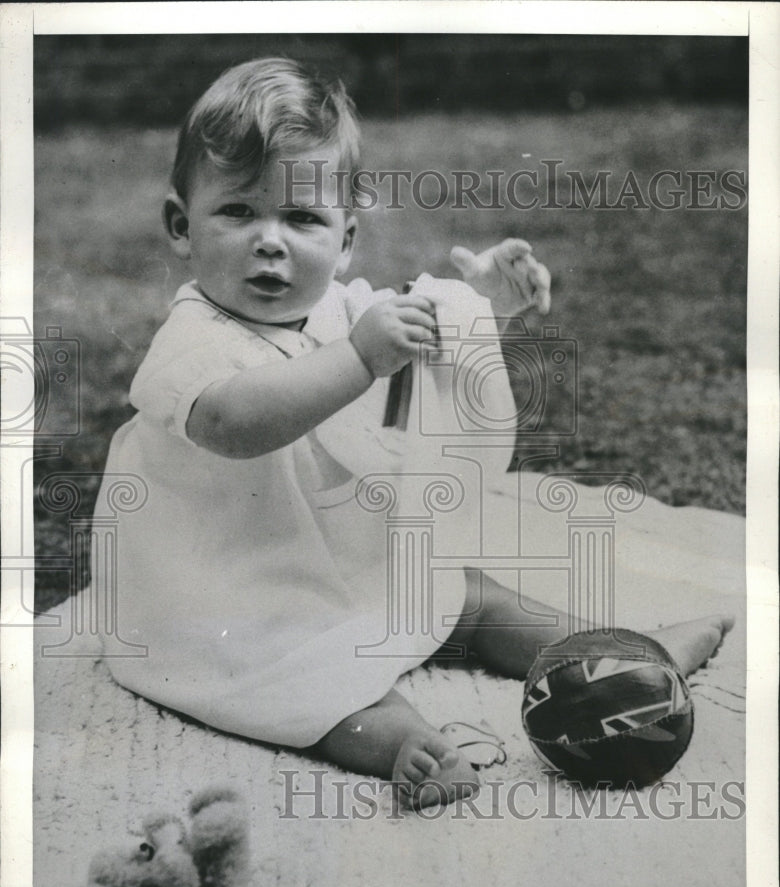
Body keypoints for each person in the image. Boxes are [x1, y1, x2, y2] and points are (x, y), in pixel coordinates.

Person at [94, 57, 733, 809]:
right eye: (238, 212)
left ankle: (622, 656)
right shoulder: (192, 341)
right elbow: (237, 424)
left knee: (467, 597)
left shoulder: (341, 309)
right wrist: (361, 356)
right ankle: (403, 742)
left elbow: (422, 348)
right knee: (305, 679)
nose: (272, 242)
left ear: (346, 238)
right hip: (231, 594)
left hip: (333, 554)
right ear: (181, 225)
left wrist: (482, 306)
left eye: (302, 219)